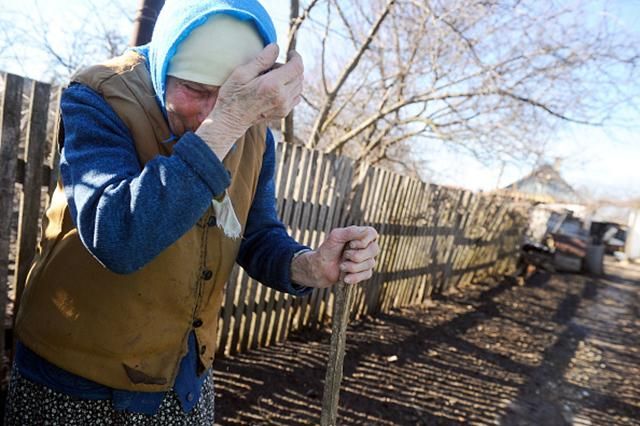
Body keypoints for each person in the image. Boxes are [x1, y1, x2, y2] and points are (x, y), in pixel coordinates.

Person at [3, 0, 379, 424]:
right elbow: (118, 237)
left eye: (230, 98)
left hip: (185, 378)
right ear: (165, 63)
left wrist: (307, 266)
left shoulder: (252, 131)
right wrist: (228, 122)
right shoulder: (100, 97)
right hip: (75, 380)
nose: (208, 115)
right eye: (196, 91)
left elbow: (254, 233)